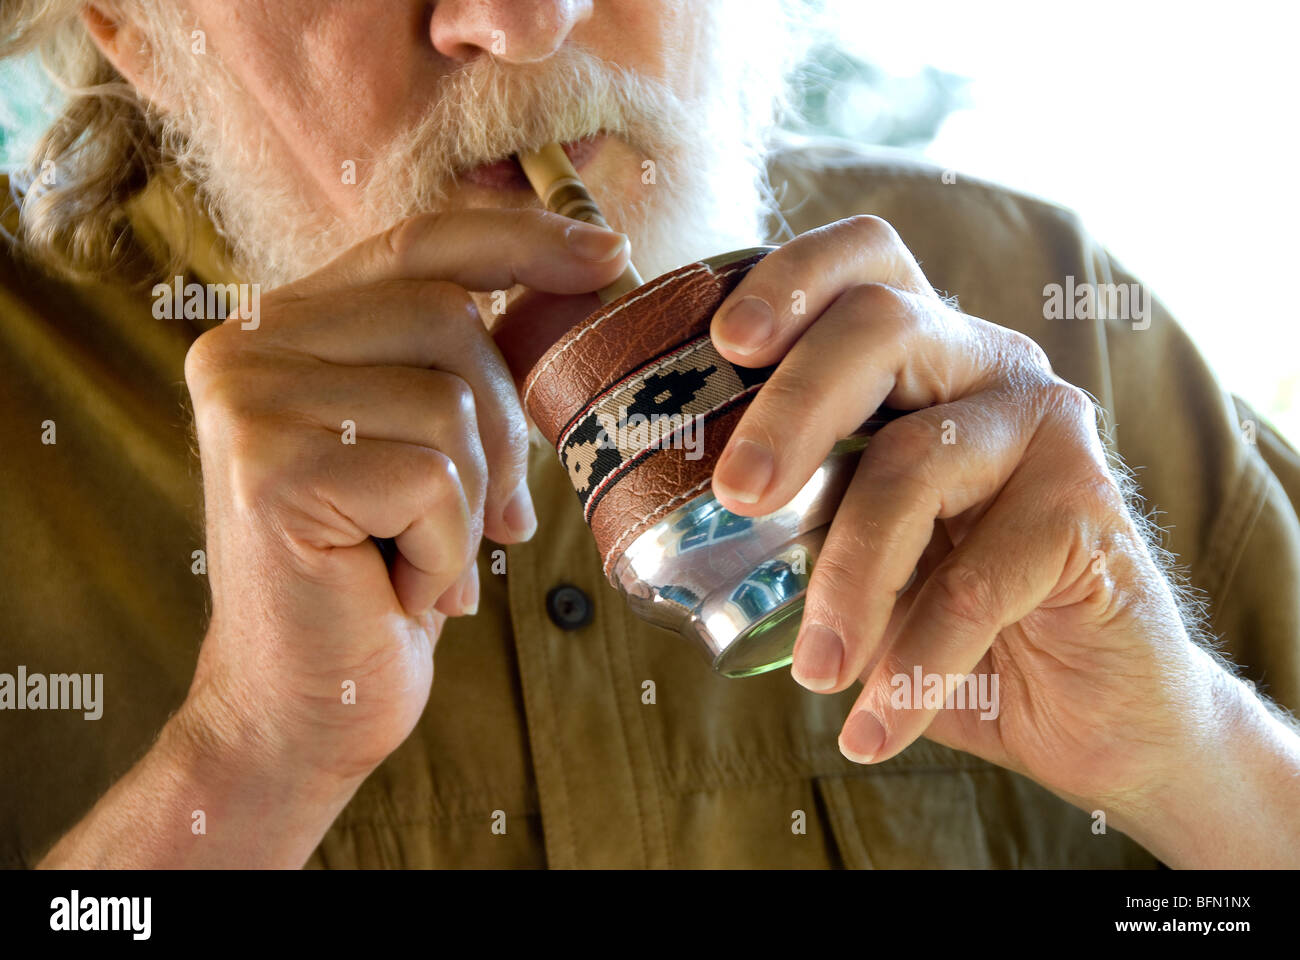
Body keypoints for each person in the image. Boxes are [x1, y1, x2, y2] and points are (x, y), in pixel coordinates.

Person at [2, 0, 1298, 869]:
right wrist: (243, 764)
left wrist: (1190, 749)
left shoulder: (1036, 305)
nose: (517, 20)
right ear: (144, 32)